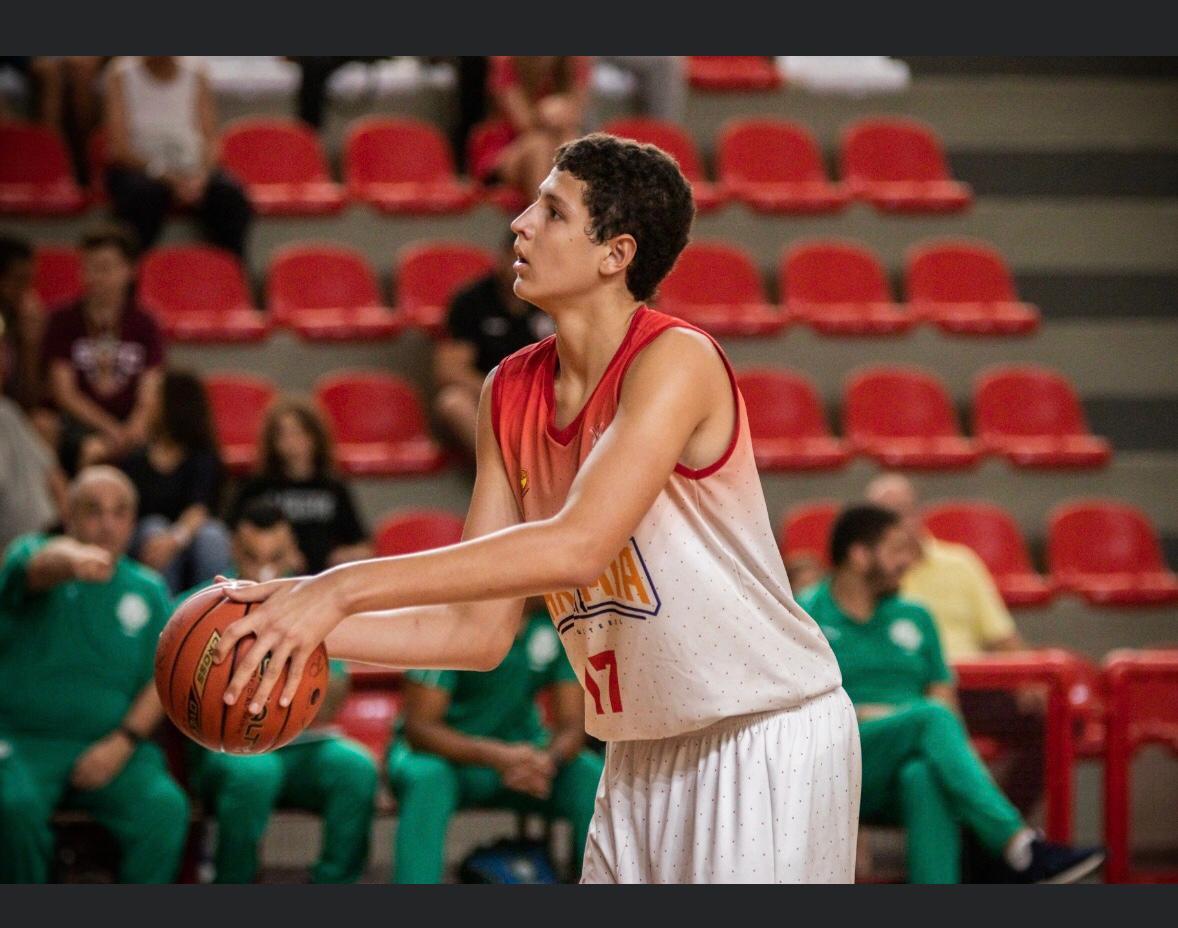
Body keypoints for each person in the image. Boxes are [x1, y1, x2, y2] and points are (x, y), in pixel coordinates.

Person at [213, 133, 861, 884]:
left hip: (761, 735)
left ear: (615, 254)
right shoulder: (506, 391)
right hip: (639, 753)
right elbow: (477, 629)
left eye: (551, 211)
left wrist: (340, 587)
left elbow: (578, 546)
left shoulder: (676, 361)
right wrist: (300, 627)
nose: (518, 224)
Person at [798, 503, 1104, 884]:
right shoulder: (804, 612)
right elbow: (793, 706)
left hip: (904, 761)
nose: (908, 561)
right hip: (837, 757)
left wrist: (918, 727)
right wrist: (867, 716)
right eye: (896, 550)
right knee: (930, 716)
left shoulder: (917, 615)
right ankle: (1016, 845)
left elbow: (944, 696)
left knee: (924, 775)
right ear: (860, 556)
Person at [0, 466, 189, 883]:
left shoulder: (148, 587)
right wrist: (72, 558)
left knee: (164, 809)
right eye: (93, 511)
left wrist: (123, 742)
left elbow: (161, 678)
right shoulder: (30, 553)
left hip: (112, 746)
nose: (107, 524)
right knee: (10, 806)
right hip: (23, 744)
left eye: (120, 513)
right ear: (68, 515)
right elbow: (36, 567)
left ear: (133, 522)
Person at [179, 500, 378, 883]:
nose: (266, 570)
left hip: (302, 740)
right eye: (254, 557)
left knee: (357, 769)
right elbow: (180, 696)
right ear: (234, 550)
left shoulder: (313, 602)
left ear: (293, 553)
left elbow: (331, 701)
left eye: (277, 556)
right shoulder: (198, 607)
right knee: (255, 772)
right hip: (227, 743)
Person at [865, 473, 1043, 816]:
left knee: (1055, 723)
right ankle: (998, 833)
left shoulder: (960, 563)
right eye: (881, 516)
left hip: (972, 690)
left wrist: (1030, 679)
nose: (894, 524)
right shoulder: (869, 578)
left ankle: (999, 826)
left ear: (917, 513)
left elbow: (1002, 635)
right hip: (909, 695)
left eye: (900, 512)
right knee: (926, 736)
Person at [389, 603, 603, 883]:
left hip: (523, 758)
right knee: (427, 778)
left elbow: (573, 724)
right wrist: (495, 755)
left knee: (588, 774)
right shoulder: (450, 617)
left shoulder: (556, 621)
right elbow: (420, 728)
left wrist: (547, 761)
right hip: (446, 758)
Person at [42, 223, 164, 473]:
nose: (96, 277)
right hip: (77, 424)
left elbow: (150, 392)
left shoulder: (145, 323)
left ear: (130, 270)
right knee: (86, 448)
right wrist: (110, 429)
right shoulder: (63, 320)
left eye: (106, 268)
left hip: (131, 425)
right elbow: (64, 393)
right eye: (89, 267)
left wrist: (133, 429)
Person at [104, 56, 253, 257]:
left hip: (191, 169)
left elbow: (211, 139)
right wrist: (165, 176)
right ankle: (135, 276)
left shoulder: (197, 73)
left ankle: (233, 275)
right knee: (143, 196)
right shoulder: (120, 73)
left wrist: (201, 177)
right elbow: (119, 147)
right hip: (140, 168)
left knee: (230, 196)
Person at [434, 233, 555, 451]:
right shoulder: (471, 301)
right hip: (486, 395)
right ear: (500, 257)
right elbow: (450, 370)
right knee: (453, 402)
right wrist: (501, 394)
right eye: (516, 258)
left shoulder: (552, 299)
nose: (520, 266)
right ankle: (507, 470)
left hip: (541, 398)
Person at [226, 396, 371, 574]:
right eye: (282, 434)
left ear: (315, 437)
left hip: (324, 580)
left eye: (298, 433)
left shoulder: (334, 487)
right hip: (271, 577)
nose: (291, 442)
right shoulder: (256, 485)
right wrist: (279, 559)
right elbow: (232, 538)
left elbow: (363, 545)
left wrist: (344, 556)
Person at [118, 368, 231, 593]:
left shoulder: (202, 457)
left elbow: (199, 508)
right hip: (143, 541)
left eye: (154, 396)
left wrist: (174, 539)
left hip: (186, 538)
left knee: (212, 535)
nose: (145, 402)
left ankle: (213, 611)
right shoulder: (135, 457)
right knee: (153, 527)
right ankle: (161, 616)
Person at [474, 57, 592, 199]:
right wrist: (545, 113)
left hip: (556, 139)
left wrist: (564, 113)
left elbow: (575, 117)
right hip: (506, 147)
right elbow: (523, 123)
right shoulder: (508, 62)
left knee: (570, 142)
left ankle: (570, 217)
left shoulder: (575, 63)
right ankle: (542, 216)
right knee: (539, 145)